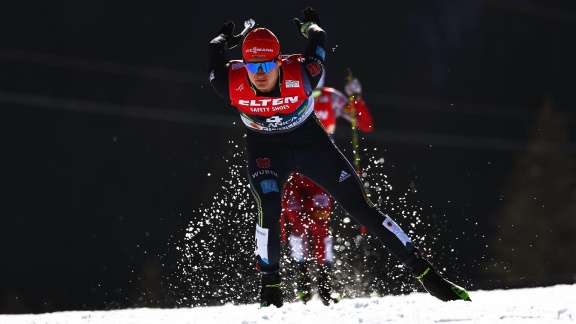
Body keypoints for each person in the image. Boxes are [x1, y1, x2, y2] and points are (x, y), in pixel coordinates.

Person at [207, 7, 471, 308]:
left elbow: (319, 38)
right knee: (269, 206)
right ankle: (270, 287)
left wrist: (311, 28)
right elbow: (214, 50)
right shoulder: (227, 82)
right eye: (253, 68)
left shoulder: (304, 73)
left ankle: (426, 274)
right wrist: (222, 39)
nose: (261, 74)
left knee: (361, 208)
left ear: (280, 61)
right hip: (265, 149)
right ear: (242, 66)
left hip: (310, 143)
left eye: (267, 65)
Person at [280, 74, 374, 305]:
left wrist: (356, 98)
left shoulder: (331, 98)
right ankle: (301, 277)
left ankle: (324, 282)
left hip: (321, 174)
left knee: (319, 225)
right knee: (298, 224)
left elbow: (364, 124)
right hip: (292, 173)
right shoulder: (286, 94)